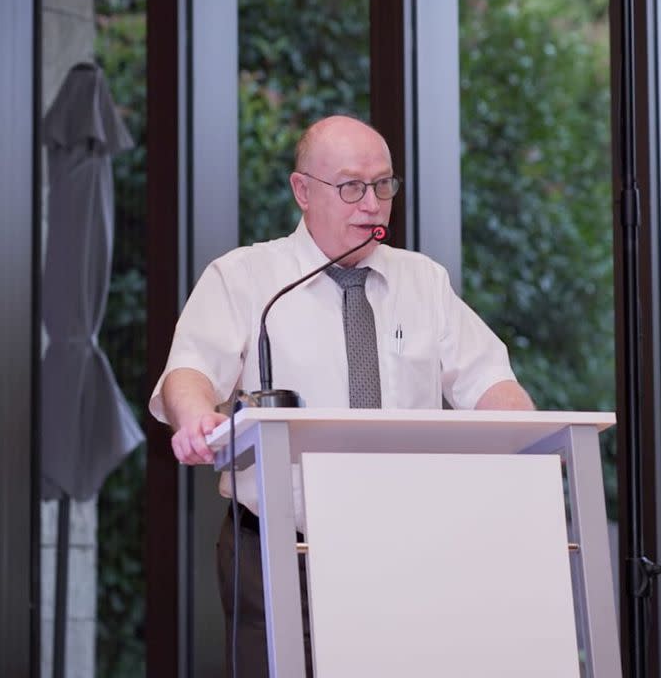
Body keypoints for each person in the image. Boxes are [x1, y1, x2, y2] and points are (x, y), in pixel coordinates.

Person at [149, 114, 534, 676]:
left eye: (384, 185)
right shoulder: (249, 278)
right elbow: (188, 371)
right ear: (303, 191)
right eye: (352, 186)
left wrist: (529, 444)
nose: (373, 204)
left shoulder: (421, 280)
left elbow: (490, 382)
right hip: (282, 547)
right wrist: (195, 417)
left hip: (412, 548)